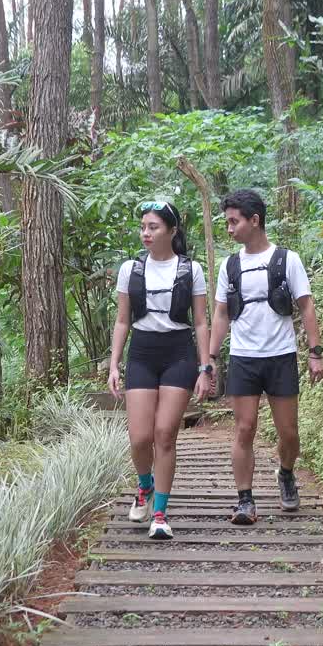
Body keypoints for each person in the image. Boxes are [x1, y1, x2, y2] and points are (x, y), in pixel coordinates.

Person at [207, 189, 323, 525]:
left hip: (281, 356)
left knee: (289, 433)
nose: (229, 229)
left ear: (254, 220)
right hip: (244, 357)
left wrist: (315, 353)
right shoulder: (230, 266)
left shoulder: (287, 259)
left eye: (234, 221)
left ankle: (286, 472)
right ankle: (245, 500)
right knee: (244, 428)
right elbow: (219, 314)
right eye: (227, 222)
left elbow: (306, 305)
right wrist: (211, 357)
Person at [108, 200, 213, 539]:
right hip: (141, 352)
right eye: (143, 227)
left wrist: (205, 367)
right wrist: (114, 364)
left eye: (153, 227)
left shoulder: (190, 269)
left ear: (172, 230)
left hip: (178, 353)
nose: (146, 233)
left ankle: (160, 513)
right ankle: (144, 485)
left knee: (165, 434)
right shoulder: (130, 269)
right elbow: (123, 320)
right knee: (140, 437)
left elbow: (200, 322)